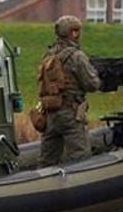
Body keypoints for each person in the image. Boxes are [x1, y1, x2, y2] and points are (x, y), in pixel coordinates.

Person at [37, 15, 102, 167]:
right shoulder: (76, 56)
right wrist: (99, 77)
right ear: (73, 33)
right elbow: (92, 85)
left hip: (50, 113)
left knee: (47, 160)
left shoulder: (48, 55)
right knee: (80, 159)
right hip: (70, 114)